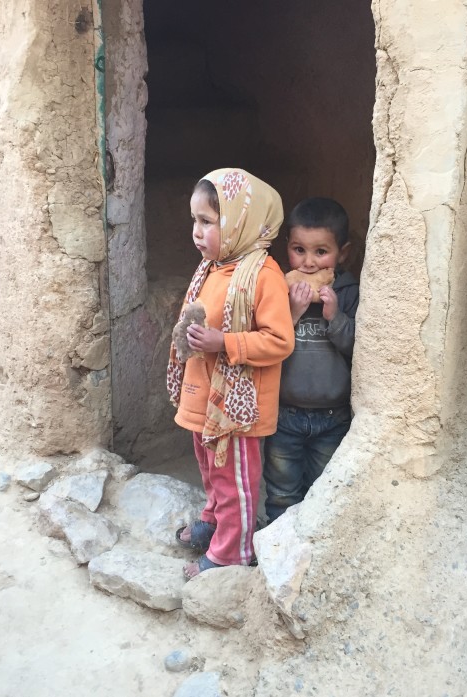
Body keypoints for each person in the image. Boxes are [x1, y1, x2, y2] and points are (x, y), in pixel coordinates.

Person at [167, 168, 294, 579]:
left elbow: (279, 341)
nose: (196, 232)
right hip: (204, 396)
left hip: (237, 410)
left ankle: (231, 552)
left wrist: (225, 343)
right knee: (211, 470)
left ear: (242, 221)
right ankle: (214, 521)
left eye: (207, 222)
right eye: (195, 221)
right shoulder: (212, 267)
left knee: (234, 478)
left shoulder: (263, 276)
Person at [263, 197, 359, 523]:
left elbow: (359, 351)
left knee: (323, 490)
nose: (308, 262)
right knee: (281, 490)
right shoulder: (278, 289)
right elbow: (267, 344)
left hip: (333, 419)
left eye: (321, 251)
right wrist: (291, 313)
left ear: (342, 253)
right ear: (286, 247)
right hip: (284, 416)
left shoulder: (348, 293)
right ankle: (275, 551)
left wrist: (336, 318)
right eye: (298, 249)